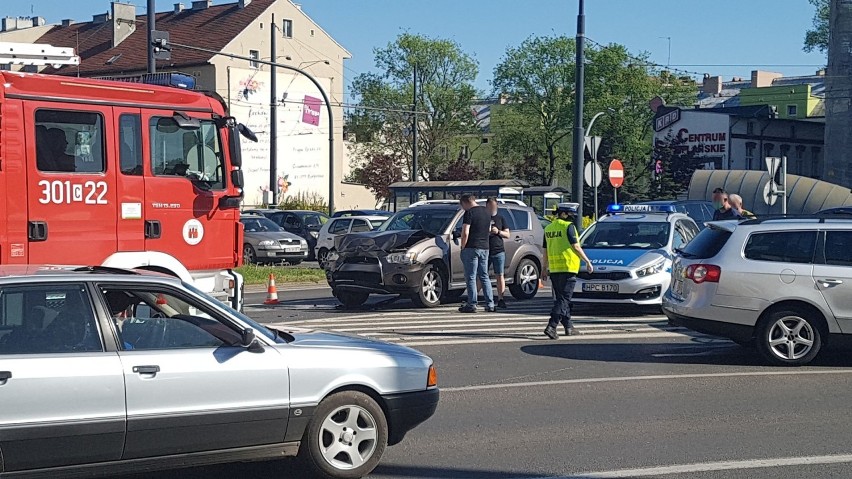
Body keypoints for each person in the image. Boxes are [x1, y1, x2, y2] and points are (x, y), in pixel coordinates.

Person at [541, 203, 593, 339]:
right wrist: (587, 261)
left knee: (561, 299)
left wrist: (544, 268)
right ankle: (551, 326)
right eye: (570, 215)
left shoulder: (548, 228)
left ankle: (568, 326)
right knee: (564, 299)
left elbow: (545, 251)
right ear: (563, 214)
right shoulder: (568, 227)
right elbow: (576, 246)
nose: (572, 219)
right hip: (568, 267)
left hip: (554, 269)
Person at [458, 194, 495, 313]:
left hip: (471, 247)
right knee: (484, 275)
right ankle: (490, 304)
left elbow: (465, 232)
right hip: (485, 247)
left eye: (462, 205)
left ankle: (472, 303)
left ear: (465, 203)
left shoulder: (469, 213)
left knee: (471, 277)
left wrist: (463, 246)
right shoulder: (486, 212)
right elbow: (489, 230)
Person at [486, 198, 511, 309]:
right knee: (482, 275)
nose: (492, 208)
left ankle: (501, 298)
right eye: (490, 206)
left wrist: (498, 232)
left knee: (499, 275)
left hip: (498, 250)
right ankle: (474, 299)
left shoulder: (501, 218)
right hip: (485, 250)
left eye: (494, 206)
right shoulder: (484, 218)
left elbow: (507, 234)